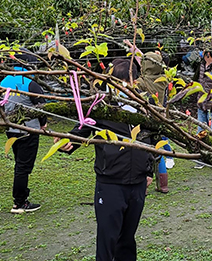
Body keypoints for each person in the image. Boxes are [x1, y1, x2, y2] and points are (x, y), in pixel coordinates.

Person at [55, 62, 154, 261]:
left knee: (127, 239)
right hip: (111, 184)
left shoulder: (145, 105)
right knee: (108, 240)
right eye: (118, 82)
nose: (123, 87)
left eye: (127, 82)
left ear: (135, 81)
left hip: (137, 183)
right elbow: (82, 129)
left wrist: (149, 170)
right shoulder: (101, 105)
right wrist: (68, 142)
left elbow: (151, 139)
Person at [0, 50, 47, 214]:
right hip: (28, 130)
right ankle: (19, 202)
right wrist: (43, 124)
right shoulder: (30, 83)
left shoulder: (4, 80)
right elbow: (42, 108)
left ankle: (20, 198)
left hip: (10, 131)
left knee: (20, 164)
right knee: (23, 167)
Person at [136, 51, 174, 193]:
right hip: (161, 118)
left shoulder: (141, 81)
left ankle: (144, 185)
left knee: (144, 150)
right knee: (159, 151)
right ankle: (163, 185)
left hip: (146, 119)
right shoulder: (164, 79)